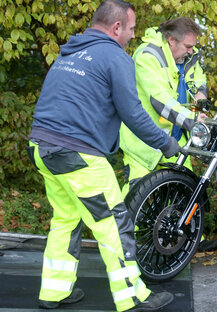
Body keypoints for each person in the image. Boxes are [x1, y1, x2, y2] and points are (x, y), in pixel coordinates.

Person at [27, 0, 179, 310]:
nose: (133, 36)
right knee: (114, 224)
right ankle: (133, 297)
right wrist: (165, 143)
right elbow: (133, 113)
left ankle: (55, 292)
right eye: (132, 29)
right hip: (77, 154)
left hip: (41, 148)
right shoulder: (115, 56)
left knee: (66, 220)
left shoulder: (70, 52)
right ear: (117, 27)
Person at [118, 17, 217, 252]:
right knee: (136, 192)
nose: (192, 51)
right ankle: (124, 242)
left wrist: (201, 96)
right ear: (171, 40)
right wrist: (193, 122)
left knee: (188, 189)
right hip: (143, 141)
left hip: (176, 137)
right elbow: (160, 99)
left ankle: (192, 241)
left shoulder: (187, 56)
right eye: (187, 46)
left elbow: (198, 81)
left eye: (193, 46)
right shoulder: (147, 56)